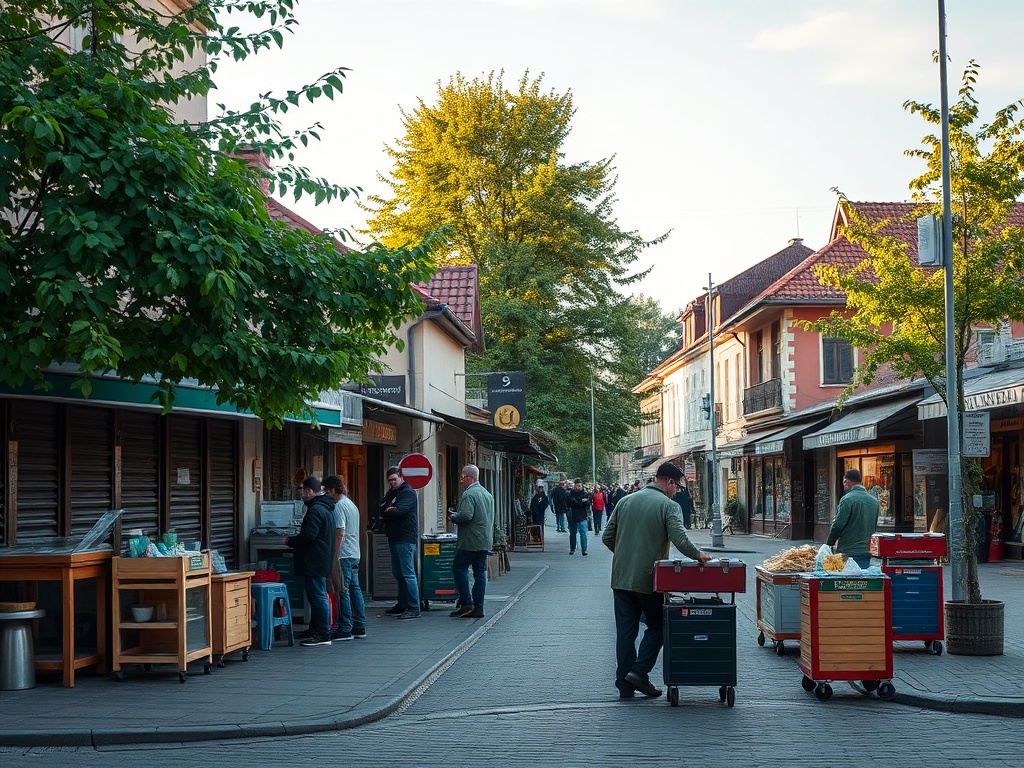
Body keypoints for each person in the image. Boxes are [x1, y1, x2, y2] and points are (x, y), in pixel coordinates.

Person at [601, 462, 711, 699]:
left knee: (625, 632)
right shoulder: (668, 506)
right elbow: (680, 539)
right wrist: (699, 556)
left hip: (620, 578)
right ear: (669, 482)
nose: (677, 491)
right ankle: (639, 672)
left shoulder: (625, 501)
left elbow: (607, 537)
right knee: (660, 624)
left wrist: (626, 556)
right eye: (677, 486)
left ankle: (624, 685)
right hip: (649, 579)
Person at [285, 475, 337, 647]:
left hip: (314, 560)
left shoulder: (316, 509)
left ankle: (323, 634)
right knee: (316, 596)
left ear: (309, 491)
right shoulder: (325, 508)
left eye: (303, 490)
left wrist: (291, 540)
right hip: (320, 559)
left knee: (318, 596)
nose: (302, 495)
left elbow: (309, 535)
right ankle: (315, 628)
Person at [448, 464, 495, 619]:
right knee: (480, 573)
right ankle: (478, 608)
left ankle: (467, 602)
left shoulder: (469, 494)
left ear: (469, 477)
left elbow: (467, 515)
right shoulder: (487, 494)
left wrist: (454, 516)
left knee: (458, 568)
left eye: (462, 477)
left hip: (470, 541)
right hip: (484, 540)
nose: (461, 481)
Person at [323, 475, 365, 641]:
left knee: (343, 590)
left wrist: (334, 553)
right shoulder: (351, 504)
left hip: (344, 554)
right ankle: (360, 625)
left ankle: (345, 627)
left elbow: (340, 531)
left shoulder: (339, 506)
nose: (326, 494)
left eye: (327, 490)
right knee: (355, 588)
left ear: (333, 490)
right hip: (355, 552)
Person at [380, 466, 421, 620]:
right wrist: (388, 508)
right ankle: (402, 604)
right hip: (394, 537)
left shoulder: (408, 492)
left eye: (394, 479)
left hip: (405, 538)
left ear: (401, 477)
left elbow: (399, 511)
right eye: (389, 480)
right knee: (399, 573)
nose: (391, 482)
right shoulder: (391, 493)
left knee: (407, 573)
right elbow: (382, 510)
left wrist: (390, 509)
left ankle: (413, 607)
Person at [827, 468, 880, 569]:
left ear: (846, 480)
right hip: (866, 549)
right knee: (863, 580)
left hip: (848, 549)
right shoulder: (874, 501)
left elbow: (838, 525)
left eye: (844, 482)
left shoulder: (847, 499)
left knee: (847, 581)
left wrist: (829, 544)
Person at [566, 478, 592, 556]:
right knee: (573, 533)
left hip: (582, 516)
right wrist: (580, 501)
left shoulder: (585, 493)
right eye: (577, 485)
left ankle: (584, 550)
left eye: (579, 486)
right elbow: (570, 503)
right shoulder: (571, 493)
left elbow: (587, 503)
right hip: (573, 516)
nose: (578, 487)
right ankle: (572, 549)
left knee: (583, 533)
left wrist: (578, 501)